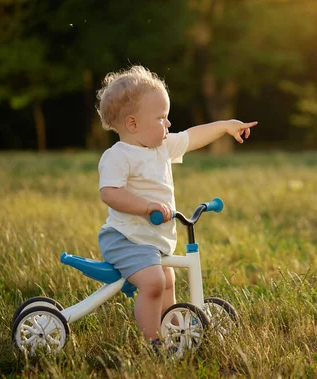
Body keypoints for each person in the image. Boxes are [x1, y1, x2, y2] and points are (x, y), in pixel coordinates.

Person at [95, 65, 257, 351]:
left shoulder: (161, 147)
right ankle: (153, 342)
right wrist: (146, 207)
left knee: (168, 279)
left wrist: (224, 126)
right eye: (161, 118)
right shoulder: (118, 156)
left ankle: (171, 331)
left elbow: (192, 136)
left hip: (152, 240)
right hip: (124, 239)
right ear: (133, 124)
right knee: (155, 282)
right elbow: (110, 193)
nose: (168, 124)